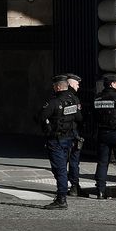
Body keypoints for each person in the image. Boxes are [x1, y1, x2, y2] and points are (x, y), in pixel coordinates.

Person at [36, 74, 82, 210]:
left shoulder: (54, 102)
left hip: (56, 140)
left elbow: (40, 117)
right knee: (65, 167)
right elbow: (79, 118)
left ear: (57, 87)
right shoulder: (73, 100)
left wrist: (48, 125)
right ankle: (64, 193)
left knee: (60, 169)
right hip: (69, 138)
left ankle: (61, 198)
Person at [64, 72, 86, 196]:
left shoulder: (57, 97)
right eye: (77, 84)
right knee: (73, 161)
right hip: (72, 133)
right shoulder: (74, 98)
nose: (78, 86)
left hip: (61, 134)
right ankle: (74, 186)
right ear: (71, 84)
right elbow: (79, 117)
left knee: (62, 161)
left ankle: (63, 185)